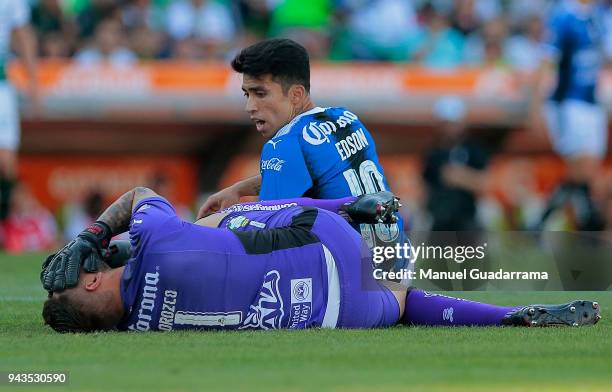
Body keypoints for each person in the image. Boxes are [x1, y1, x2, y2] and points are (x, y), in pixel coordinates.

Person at [41, 187, 601, 333]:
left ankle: (504, 315)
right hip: (325, 245)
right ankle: (352, 207)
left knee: (401, 298)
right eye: (86, 273)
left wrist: (110, 252)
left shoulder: (137, 327)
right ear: (90, 284)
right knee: (237, 216)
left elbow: (138, 266)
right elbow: (139, 196)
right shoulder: (159, 240)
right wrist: (88, 238)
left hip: (341, 312)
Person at [196, 38, 405, 276]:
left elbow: (266, 235)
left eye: (260, 94)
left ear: (296, 94)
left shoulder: (283, 143)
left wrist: (220, 225)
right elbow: (315, 171)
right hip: (394, 262)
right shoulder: (346, 118)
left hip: (349, 278)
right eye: (247, 95)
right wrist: (240, 188)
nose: (250, 107)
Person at [530, 0, 607, 231]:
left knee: (588, 171)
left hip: (591, 100)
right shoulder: (562, 16)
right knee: (581, 167)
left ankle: (545, 222)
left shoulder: (596, 16)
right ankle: (560, 223)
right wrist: (535, 105)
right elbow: (547, 60)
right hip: (569, 102)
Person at [0, 0, 39, 224]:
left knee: (6, 163)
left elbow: (23, 34)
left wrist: (33, 82)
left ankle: (5, 226)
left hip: (1, 82)